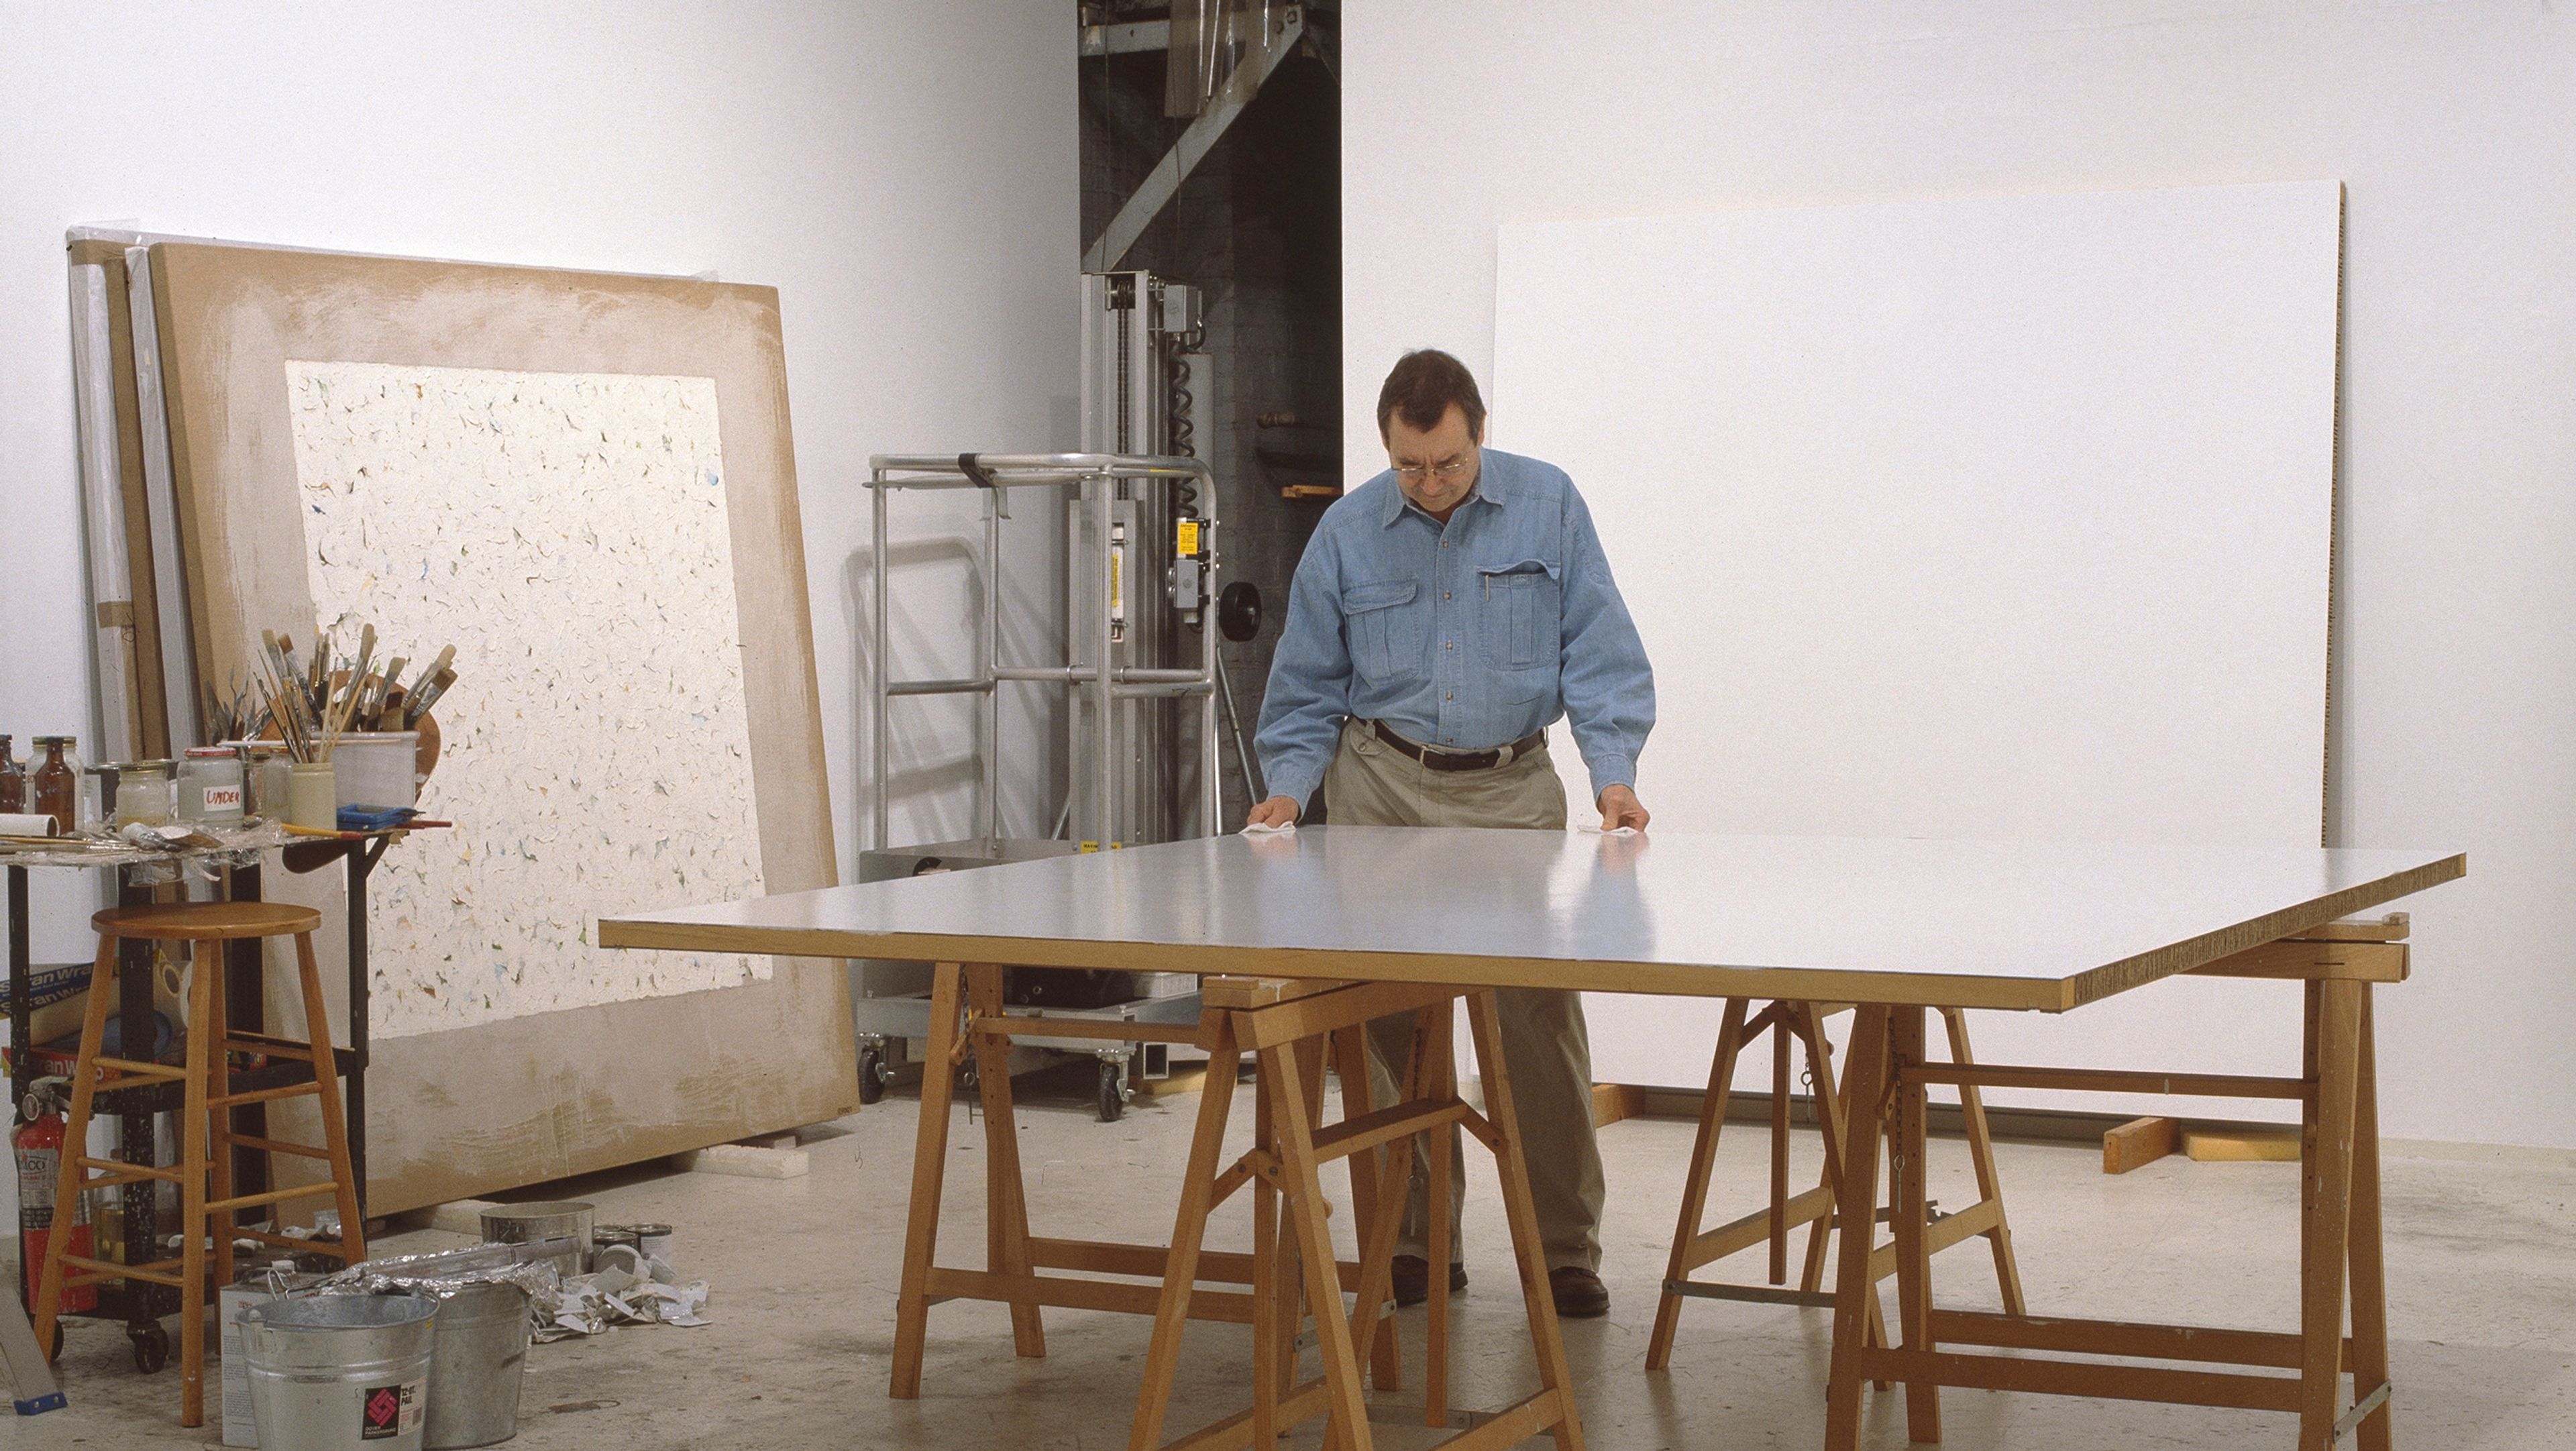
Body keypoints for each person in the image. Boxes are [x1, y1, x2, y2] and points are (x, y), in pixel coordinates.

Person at [1248, 348, 1654, 1318]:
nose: (1430, 484)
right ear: (1387, 447)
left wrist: (1614, 776)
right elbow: (1306, 681)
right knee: (1393, 1030)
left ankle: (1564, 1252)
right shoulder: (1347, 531)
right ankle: (1417, 1242)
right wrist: (1289, 791)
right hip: (1381, 791)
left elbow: (1600, 652)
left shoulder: (1550, 505)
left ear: (1480, 433)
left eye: (1448, 463)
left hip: (1512, 794)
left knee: (1535, 1025)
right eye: (1410, 467)